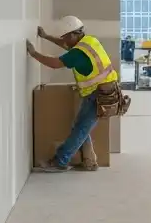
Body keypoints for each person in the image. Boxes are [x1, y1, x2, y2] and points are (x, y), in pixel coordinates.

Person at [25, 15, 118, 172]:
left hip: (99, 95)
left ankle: (60, 161)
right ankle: (89, 161)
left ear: (74, 34)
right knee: (81, 128)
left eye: (66, 37)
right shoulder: (88, 41)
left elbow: (55, 64)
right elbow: (66, 45)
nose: (65, 41)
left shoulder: (79, 52)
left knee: (81, 129)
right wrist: (46, 36)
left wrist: (34, 54)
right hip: (104, 91)